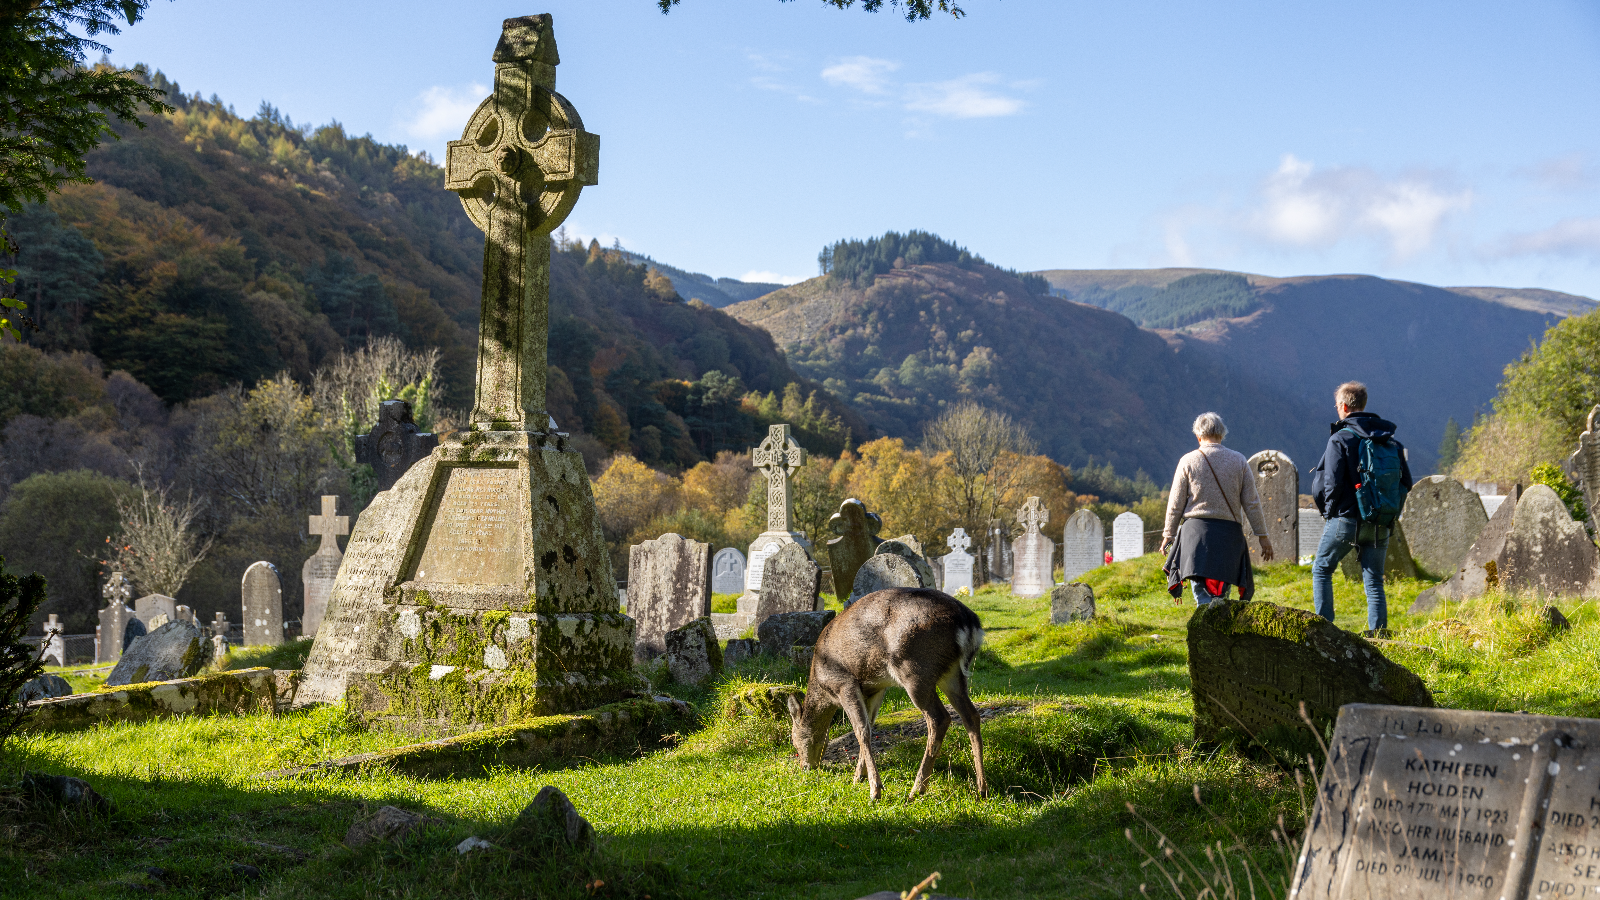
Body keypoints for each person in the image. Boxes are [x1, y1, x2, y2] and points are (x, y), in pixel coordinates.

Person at [1309, 381, 1413, 635]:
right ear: (1364, 405)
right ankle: (1378, 634)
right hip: (1380, 520)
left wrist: (1330, 515)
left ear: (1343, 406)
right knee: (1374, 578)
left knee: (1322, 568)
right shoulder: (1390, 442)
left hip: (1346, 519)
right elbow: (1406, 483)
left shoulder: (1340, 438)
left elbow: (1330, 484)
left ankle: (1325, 629)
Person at [1160, 412, 1273, 606]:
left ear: (1198, 436)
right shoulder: (1239, 461)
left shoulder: (1188, 461)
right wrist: (1262, 536)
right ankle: (1219, 629)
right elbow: (1252, 503)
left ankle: (1205, 630)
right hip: (1228, 537)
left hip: (1196, 536)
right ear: (1222, 435)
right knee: (1222, 593)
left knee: (1201, 592)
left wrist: (1168, 534)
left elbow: (1175, 503)